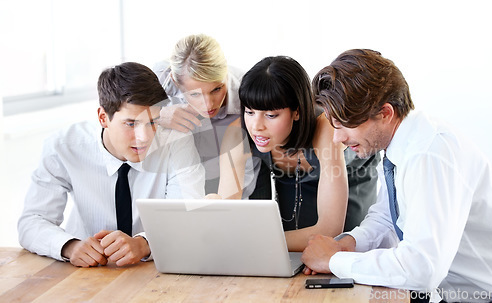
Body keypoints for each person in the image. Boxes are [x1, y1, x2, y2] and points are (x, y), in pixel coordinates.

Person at [301, 49, 492, 302]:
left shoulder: (428, 155)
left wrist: (335, 260)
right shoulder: (401, 146)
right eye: (334, 125)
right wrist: (348, 244)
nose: (338, 138)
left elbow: (421, 268)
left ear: (385, 113)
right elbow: (387, 219)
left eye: (345, 125)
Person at [18, 62, 204, 268]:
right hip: (84, 271)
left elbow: (188, 216)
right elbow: (32, 221)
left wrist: (144, 243)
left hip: (152, 269)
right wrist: (69, 246)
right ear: (103, 118)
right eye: (131, 123)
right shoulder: (63, 147)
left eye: (153, 122)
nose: (144, 137)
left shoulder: (177, 143)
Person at [218, 56, 348, 252]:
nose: (256, 127)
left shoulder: (326, 129)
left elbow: (329, 230)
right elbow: (226, 214)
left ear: (297, 111)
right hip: (286, 228)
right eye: (250, 112)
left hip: (348, 197)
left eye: (271, 115)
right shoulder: (238, 133)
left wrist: (253, 242)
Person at [152, 34, 255, 196]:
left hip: (235, 174)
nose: (208, 105)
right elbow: (123, 117)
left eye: (216, 89)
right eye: (195, 94)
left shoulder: (247, 88)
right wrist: (158, 116)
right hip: (180, 179)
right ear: (175, 81)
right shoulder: (156, 79)